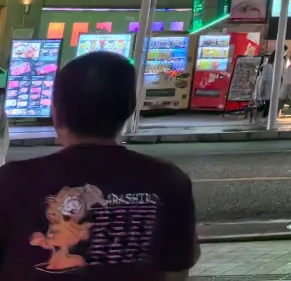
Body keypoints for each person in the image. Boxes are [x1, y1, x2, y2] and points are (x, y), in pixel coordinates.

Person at [0, 52, 199, 278]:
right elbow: (176, 272)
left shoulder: (12, 181)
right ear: (130, 109)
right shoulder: (169, 181)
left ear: (56, 110)